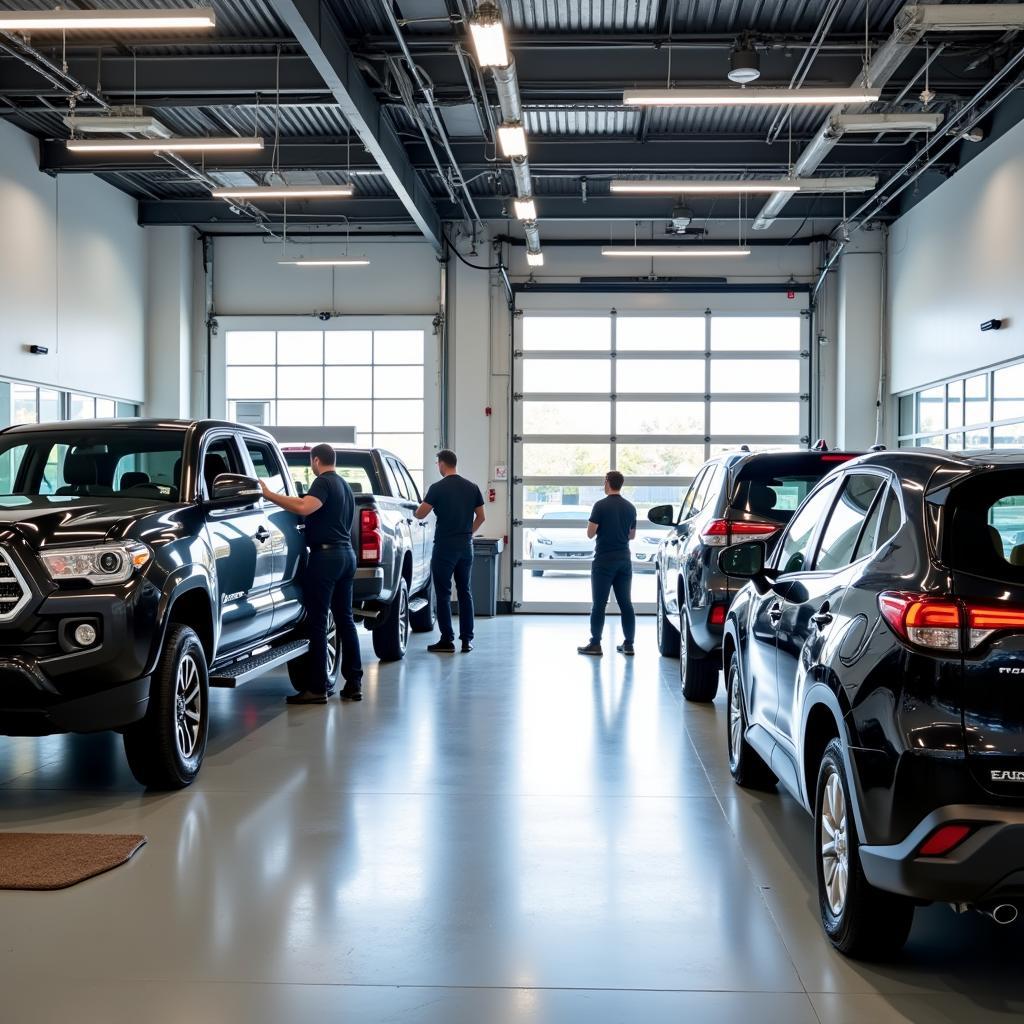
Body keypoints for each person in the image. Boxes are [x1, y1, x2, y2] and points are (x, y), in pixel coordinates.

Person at [260, 443, 363, 704]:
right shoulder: (345, 487)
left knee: (317, 622)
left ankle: (317, 688)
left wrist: (269, 494)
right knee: (345, 620)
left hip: (326, 558)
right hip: (347, 556)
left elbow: (304, 507)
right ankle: (354, 683)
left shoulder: (323, 482)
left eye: (311, 462)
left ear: (316, 460)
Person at [414, 449, 486, 653]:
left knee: (444, 594)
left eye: (437, 463)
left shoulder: (437, 488)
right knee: (465, 592)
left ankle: (447, 640)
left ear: (442, 464)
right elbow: (481, 517)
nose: (438, 466)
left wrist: (414, 509)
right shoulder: (472, 487)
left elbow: (420, 514)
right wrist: (467, 533)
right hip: (465, 547)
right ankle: (467, 641)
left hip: (444, 547)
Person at [578, 471, 637, 657]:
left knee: (599, 604)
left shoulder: (600, 506)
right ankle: (628, 645)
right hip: (624, 561)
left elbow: (590, 533)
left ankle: (595, 644)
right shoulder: (630, 507)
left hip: (604, 562)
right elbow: (632, 535)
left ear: (607, 482)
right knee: (626, 603)